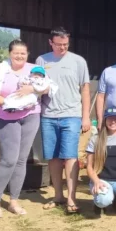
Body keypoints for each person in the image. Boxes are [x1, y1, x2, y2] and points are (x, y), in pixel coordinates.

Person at [0, 39, 46, 218]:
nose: (19, 56)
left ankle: (13, 201)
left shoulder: (34, 69)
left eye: (23, 53)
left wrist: (33, 88)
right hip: (6, 116)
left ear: (27, 55)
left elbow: (47, 87)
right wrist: (8, 103)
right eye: (16, 53)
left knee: (21, 160)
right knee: (9, 160)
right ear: (10, 53)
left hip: (31, 116)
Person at [37, 27, 90, 214]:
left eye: (66, 44)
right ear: (50, 43)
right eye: (58, 45)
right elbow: (37, 85)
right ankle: (58, 195)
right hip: (48, 116)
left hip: (71, 115)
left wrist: (85, 117)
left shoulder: (78, 61)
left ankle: (72, 197)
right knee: (52, 157)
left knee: (70, 156)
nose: (62, 48)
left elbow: (85, 89)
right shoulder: (42, 60)